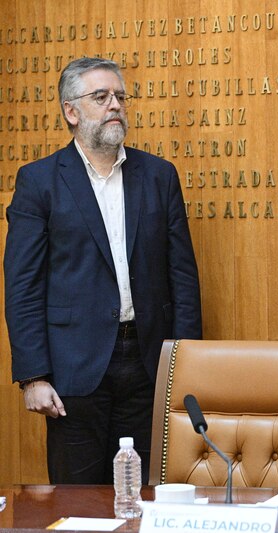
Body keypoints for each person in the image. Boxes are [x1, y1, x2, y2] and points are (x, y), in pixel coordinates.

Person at [4, 57, 203, 484]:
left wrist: (184, 365)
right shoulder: (39, 182)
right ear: (71, 112)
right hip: (74, 371)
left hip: (148, 363)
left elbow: (182, 279)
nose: (115, 105)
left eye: (120, 97)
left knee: (146, 496)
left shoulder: (158, 176)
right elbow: (22, 285)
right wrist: (33, 377)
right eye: (101, 97)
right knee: (78, 501)